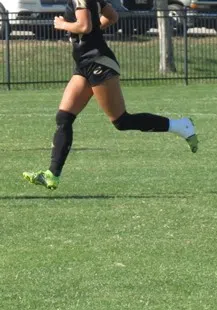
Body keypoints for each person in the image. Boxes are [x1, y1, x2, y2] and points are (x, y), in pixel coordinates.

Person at [22, 0, 198, 191]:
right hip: (85, 64)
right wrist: (92, 33)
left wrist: (63, 25)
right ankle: (52, 175)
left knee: (121, 121)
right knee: (64, 117)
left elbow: (85, 26)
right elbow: (111, 17)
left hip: (99, 62)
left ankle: (181, 126)